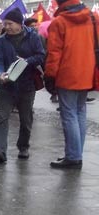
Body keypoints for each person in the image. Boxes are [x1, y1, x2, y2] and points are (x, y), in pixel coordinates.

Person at [44, 0, 99, 169]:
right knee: (80, 112)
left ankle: (73, 156)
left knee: (69, 114)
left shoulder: (59, 22)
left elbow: (54, 53)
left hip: (67, 73)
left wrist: (50, 76)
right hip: (87, 71)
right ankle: (76, 153)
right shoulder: (92, 17)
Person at [0, 9, 45, 163]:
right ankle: (0, 150)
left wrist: (27, 61)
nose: (6, 27)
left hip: (27, 85)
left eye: (9, 24)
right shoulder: (2, 40)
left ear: (19, 24)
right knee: (2, 117)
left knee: (26, 119)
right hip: (6, 86)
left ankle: (23, 146)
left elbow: (41, 55)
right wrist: (0, 73)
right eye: (4, 24)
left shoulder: (32, 37)